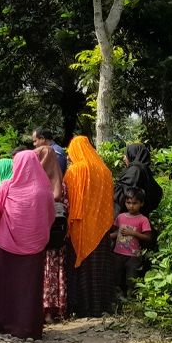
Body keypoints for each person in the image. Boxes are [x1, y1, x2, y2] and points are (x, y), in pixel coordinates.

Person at [0, 150, 55, 339]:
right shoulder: (44, 189)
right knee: (29, 287)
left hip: (7, 243)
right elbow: (50, 216)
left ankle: (0, 323)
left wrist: (6, 224)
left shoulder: (7, 186)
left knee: (4, 285)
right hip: (34, 247)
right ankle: (27, 327)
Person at [65, 135, 116, 317]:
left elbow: (68, 198)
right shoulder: (105, 171)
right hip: (101, 227)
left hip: (81, 227)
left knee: (81, 267)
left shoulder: (75, 170)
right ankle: (100, 306)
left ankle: (81, 308)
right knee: (99, 266)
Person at [35, 146, 68, 323]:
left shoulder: (35, 180)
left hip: (39, 237)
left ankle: (41, 310)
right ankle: (55, 310)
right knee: (55, 272)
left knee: (41, 271)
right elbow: (67, 206)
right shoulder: (62, 182)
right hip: (57, 236)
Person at [110, 187, 152, 301]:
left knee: (132, 279)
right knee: (116, 277)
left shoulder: (143, 220)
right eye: (128, 203)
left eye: (135, 203)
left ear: (141, 204)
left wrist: (133, 233)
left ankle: (131, 299)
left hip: (133, 256)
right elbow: (116, 233)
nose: (131, 206)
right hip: (118, 253)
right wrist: (105, 238)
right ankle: (118, 298)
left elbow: (148, 237)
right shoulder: (120, 217)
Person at [114, 144, 163, 218]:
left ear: (133, 154)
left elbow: (122, 194)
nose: (124, 158)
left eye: (125, 155)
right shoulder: (145, 171)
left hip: (127, 219)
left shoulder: (135, 170)